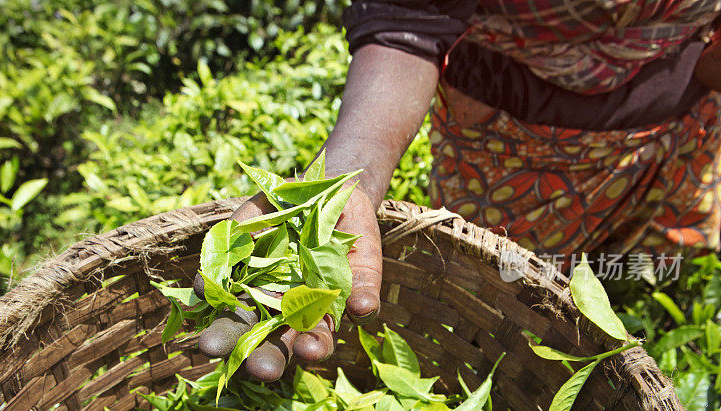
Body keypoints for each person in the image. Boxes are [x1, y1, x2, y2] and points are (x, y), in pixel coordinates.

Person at [197, 0, 721, 381]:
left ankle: (627, 276)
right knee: (501, 267)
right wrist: (346, 178)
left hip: (686, 94)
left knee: (626, 242)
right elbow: (406, 18)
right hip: (513, 122)